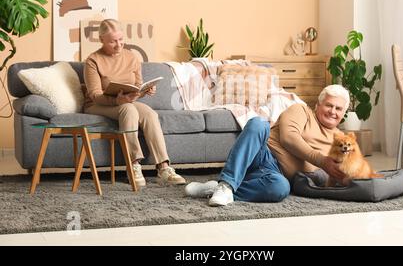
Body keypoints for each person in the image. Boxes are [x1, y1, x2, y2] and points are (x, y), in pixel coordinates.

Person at [185, 84, 349, 206]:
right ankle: (227, 183)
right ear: (318, 105)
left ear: (343, 113)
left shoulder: (341, 140)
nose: (332, 111)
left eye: (338, 108)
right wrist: (321, 160)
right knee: (258, 123)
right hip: (260, 155)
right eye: (328, 105)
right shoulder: (301, 110)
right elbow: (288, 138)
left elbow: (347, 168)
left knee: (281, 189)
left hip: (276, 176)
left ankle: (220, 189)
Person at [83, 19, 186, 187]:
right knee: (128, 110)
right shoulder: (93, 60)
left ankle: (163, 167)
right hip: (98, 105)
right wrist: (117, 100)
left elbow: (137, 86)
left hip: (125, 102)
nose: (118, 45)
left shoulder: (131, 57)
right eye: (112, 41)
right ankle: (133, 165)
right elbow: (95, 95)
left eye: (121, 39)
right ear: (101, 40)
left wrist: (145, 90)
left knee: (150, 113)